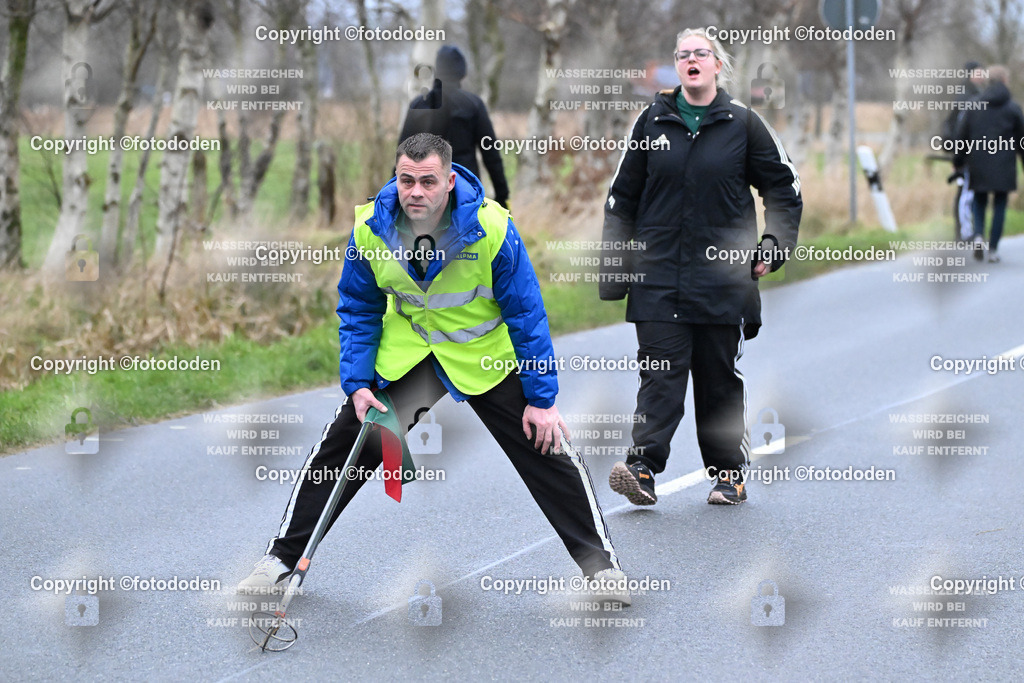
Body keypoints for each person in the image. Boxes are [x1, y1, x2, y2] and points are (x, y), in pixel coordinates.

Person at [238, 133, 627, 602]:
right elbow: (358, 309)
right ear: (396, 178)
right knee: (342, 447)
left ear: (449, 182)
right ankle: (281, 560)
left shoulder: (492, 228)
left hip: (482, 357)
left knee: (545, 444)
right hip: (411, 354)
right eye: (406, 180)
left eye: (427, 181)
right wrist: (357, 383)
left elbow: (527, 315)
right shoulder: (370, 228)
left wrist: (542, 400)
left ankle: (602, 570)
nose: (416, 191)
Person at [599, 28, 801, 506]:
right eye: (683, 54)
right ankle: (642, 469)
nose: (691, 60)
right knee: (659, 375)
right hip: (657, 276)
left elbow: (784, 190)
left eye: (701, 53)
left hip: (722, 280)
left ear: (717, 65)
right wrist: (615, 272)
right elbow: (621, 200)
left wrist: (773, 245)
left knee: (718, 381)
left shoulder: (744, 124)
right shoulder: (651, 123)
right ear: (677, 66)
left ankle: (729, 474)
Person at [398, 45, 510, 210]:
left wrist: (395, 195)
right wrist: (502, 196)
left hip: (424, 191)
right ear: (462, 72)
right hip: (465, 190)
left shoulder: (419, 104)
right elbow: (491, 154)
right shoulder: (473, 105)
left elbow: (402, 154)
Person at [954, 65, 1024, 263]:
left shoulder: (974, 105)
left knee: (979, 200)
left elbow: (962, 136)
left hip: (979, 162)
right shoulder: (1013, 108)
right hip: (1004, 164)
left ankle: (978, 235)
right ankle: (992, 249)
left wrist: (958, 161)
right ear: (1005, 81)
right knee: (1000, 203)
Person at [942, 62, 986, 241]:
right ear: (970, 74)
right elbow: (959, 129)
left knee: (968, 191)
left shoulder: (974, 94)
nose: (982, 75)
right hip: (966, 152)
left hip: (969, 152)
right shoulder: (966, 97)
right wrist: (958, 155)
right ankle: (962, 232)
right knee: (965, 192)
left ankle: (968, 230)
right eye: (979, 72)